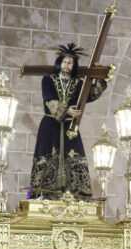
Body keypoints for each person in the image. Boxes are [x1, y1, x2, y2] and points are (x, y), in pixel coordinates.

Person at [30, 43, 108, 198]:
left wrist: (99, 76)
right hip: (50, 125)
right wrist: (66, 111)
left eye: (70, 63)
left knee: (74, 156)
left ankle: (75, 196)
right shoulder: (48, 79)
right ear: (59, 63)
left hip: (70, 127)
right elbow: (49, 99)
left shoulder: (78, 83)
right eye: (65, 62)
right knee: (46, 156)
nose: (67, 65)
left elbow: (90, 95)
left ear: (74, 66)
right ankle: (42, 195)